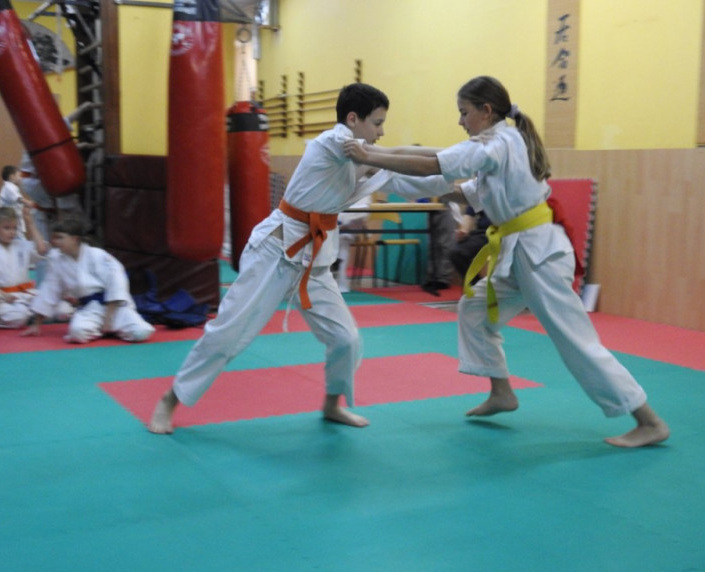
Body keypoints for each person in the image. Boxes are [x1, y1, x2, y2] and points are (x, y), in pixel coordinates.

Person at [342, 75, 669, 448]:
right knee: (474, 309)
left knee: (575, 340)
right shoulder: (496, 146)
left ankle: (649, 421)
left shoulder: (500, 144)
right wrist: (379, 174)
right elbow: (452, 185)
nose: (460, 121)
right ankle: (502, 392)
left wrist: (368, 157)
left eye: (464, 112)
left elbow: (434, 163)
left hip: (539, 255)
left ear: (486, 111)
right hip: (518, 253)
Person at [148, 82, 455, 434]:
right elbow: (398, 153)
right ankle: (169, 400)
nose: (381, 132)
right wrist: (464, 155)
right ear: (352, 119)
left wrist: (465, 169)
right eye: (377, 123)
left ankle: (332, 404)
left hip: (314, 261)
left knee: (346, 339)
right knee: (228, 334)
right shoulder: (333, 142)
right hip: (276, 252)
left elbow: (405, 174)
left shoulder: (364, 156)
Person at [23, 218, 155, 344]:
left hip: (115, 308)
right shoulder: (57, 261)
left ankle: (109, 328)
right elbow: (49, 289)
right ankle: (105, 330)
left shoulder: (98, 255)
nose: (55, 242)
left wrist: (108, 318)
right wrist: (36, 324)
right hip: (89, 309)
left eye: (60, 237)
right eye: (54, 238)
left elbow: (116, 283)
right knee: (77, 333)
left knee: (142, 332)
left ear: (75, 239)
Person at [19, 101, 94, 241]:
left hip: (34, 181)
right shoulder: (40, 131)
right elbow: (56, 152)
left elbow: (64, 127)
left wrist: (82, 109)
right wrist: (82, 108)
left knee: (48, 211)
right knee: (68, 200)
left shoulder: (38, 130)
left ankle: (56, 238)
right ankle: (82, 234)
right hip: (36, 181)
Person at [0, 206, 55, 328]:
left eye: (14, 228)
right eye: (7, 228)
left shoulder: (21, 245)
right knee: (18, 316)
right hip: (4, 299)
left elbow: (42, 249)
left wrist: (30, 223)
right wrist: (4, 296)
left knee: (63, 310)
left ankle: (32, 314)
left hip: (26, 294)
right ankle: (0, 318)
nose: (12, 232)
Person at [449, 205, 491, 284]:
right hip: (483, 233)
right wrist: (463, 231)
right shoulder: (480, 197)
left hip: (506, 232)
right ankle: (476, 284)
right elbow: (469, 215)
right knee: (456, 252)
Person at [0, 165, 35, 239]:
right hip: (8, 218)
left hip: (13, 217)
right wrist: (29, 203)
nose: (21, 178)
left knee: (17, 236)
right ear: (12, 177)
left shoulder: (11, 187)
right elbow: (18, 198)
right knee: (18, 237)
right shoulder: (9, 187)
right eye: (19, 176)